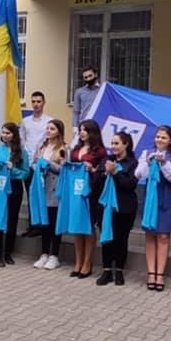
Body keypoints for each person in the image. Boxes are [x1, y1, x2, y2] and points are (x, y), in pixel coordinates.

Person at [136, 125, 171, 291]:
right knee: (150, 234)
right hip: (151, 198)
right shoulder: (146, 153)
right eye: (158, 137)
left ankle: (160, 274)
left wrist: (163, 163)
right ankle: (151, 273)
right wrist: (149, 163)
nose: (160, 140)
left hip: (167, 198)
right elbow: (139, 174)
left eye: (163, 137)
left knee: (163, 236)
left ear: (170, 140)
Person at [97, 131, 138, 286]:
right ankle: (106, 270)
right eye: (112, 143)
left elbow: (130, 185)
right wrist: (102, 173)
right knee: (107, 238)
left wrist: (115, 172)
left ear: (125, 144)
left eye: (116, 143)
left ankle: (119, 270)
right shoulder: (107, 160)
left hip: (124, 207)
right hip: (106, 206)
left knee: (121, 239)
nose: (113, 147)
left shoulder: (132, 163)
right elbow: (97, 180)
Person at [68, 119, 107, 278]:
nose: (82, 132)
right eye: (81, 129)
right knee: (78, 225)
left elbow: (101, 173)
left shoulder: (100, 151)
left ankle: (87, 262)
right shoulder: (76, 149)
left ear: (93, 132)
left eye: (85, 130)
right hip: (75, 190)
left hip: (91, 192)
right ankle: (78, 262)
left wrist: (92, 170)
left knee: (89, 225)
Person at [0, 122, 31, 267]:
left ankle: (8, 252)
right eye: (3, 132)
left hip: (14, 186)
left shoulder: (22, 152)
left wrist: (13, 168)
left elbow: (25, 173)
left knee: (12, 219)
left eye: (8, 133)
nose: (5, 135)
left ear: (14, 134)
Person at [32, 119, 66, 270]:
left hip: (55, 188)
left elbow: (64, 170)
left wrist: (48, 164)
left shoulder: (64, 148)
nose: (48, 131)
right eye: (47, 128)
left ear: (59, 131)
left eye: (52, 129)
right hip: (42, 187)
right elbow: (34, 162)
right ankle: (44, 253)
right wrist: (37, 166)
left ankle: (54, 255)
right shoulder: (41, 146)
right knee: (44, 224)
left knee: (54, 223)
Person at [20, 91, 53, 237]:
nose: (36, 104)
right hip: (28, 163)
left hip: (43, 163)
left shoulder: (49, 121)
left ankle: (43, 224)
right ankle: (33, 224)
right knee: (30, 194)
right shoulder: (25, 121)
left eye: (39, 101)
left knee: (43, 194)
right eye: (33, 101)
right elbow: (22, 140)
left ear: (44, 102)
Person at [71, 66, 102, 132]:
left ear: (96, 74)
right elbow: (76, 111)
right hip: (84, 125)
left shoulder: (102, 90)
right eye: (86, 77)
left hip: (99, 125)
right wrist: (75, 127)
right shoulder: (79, 92)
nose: (88, 79)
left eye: (90, 76)